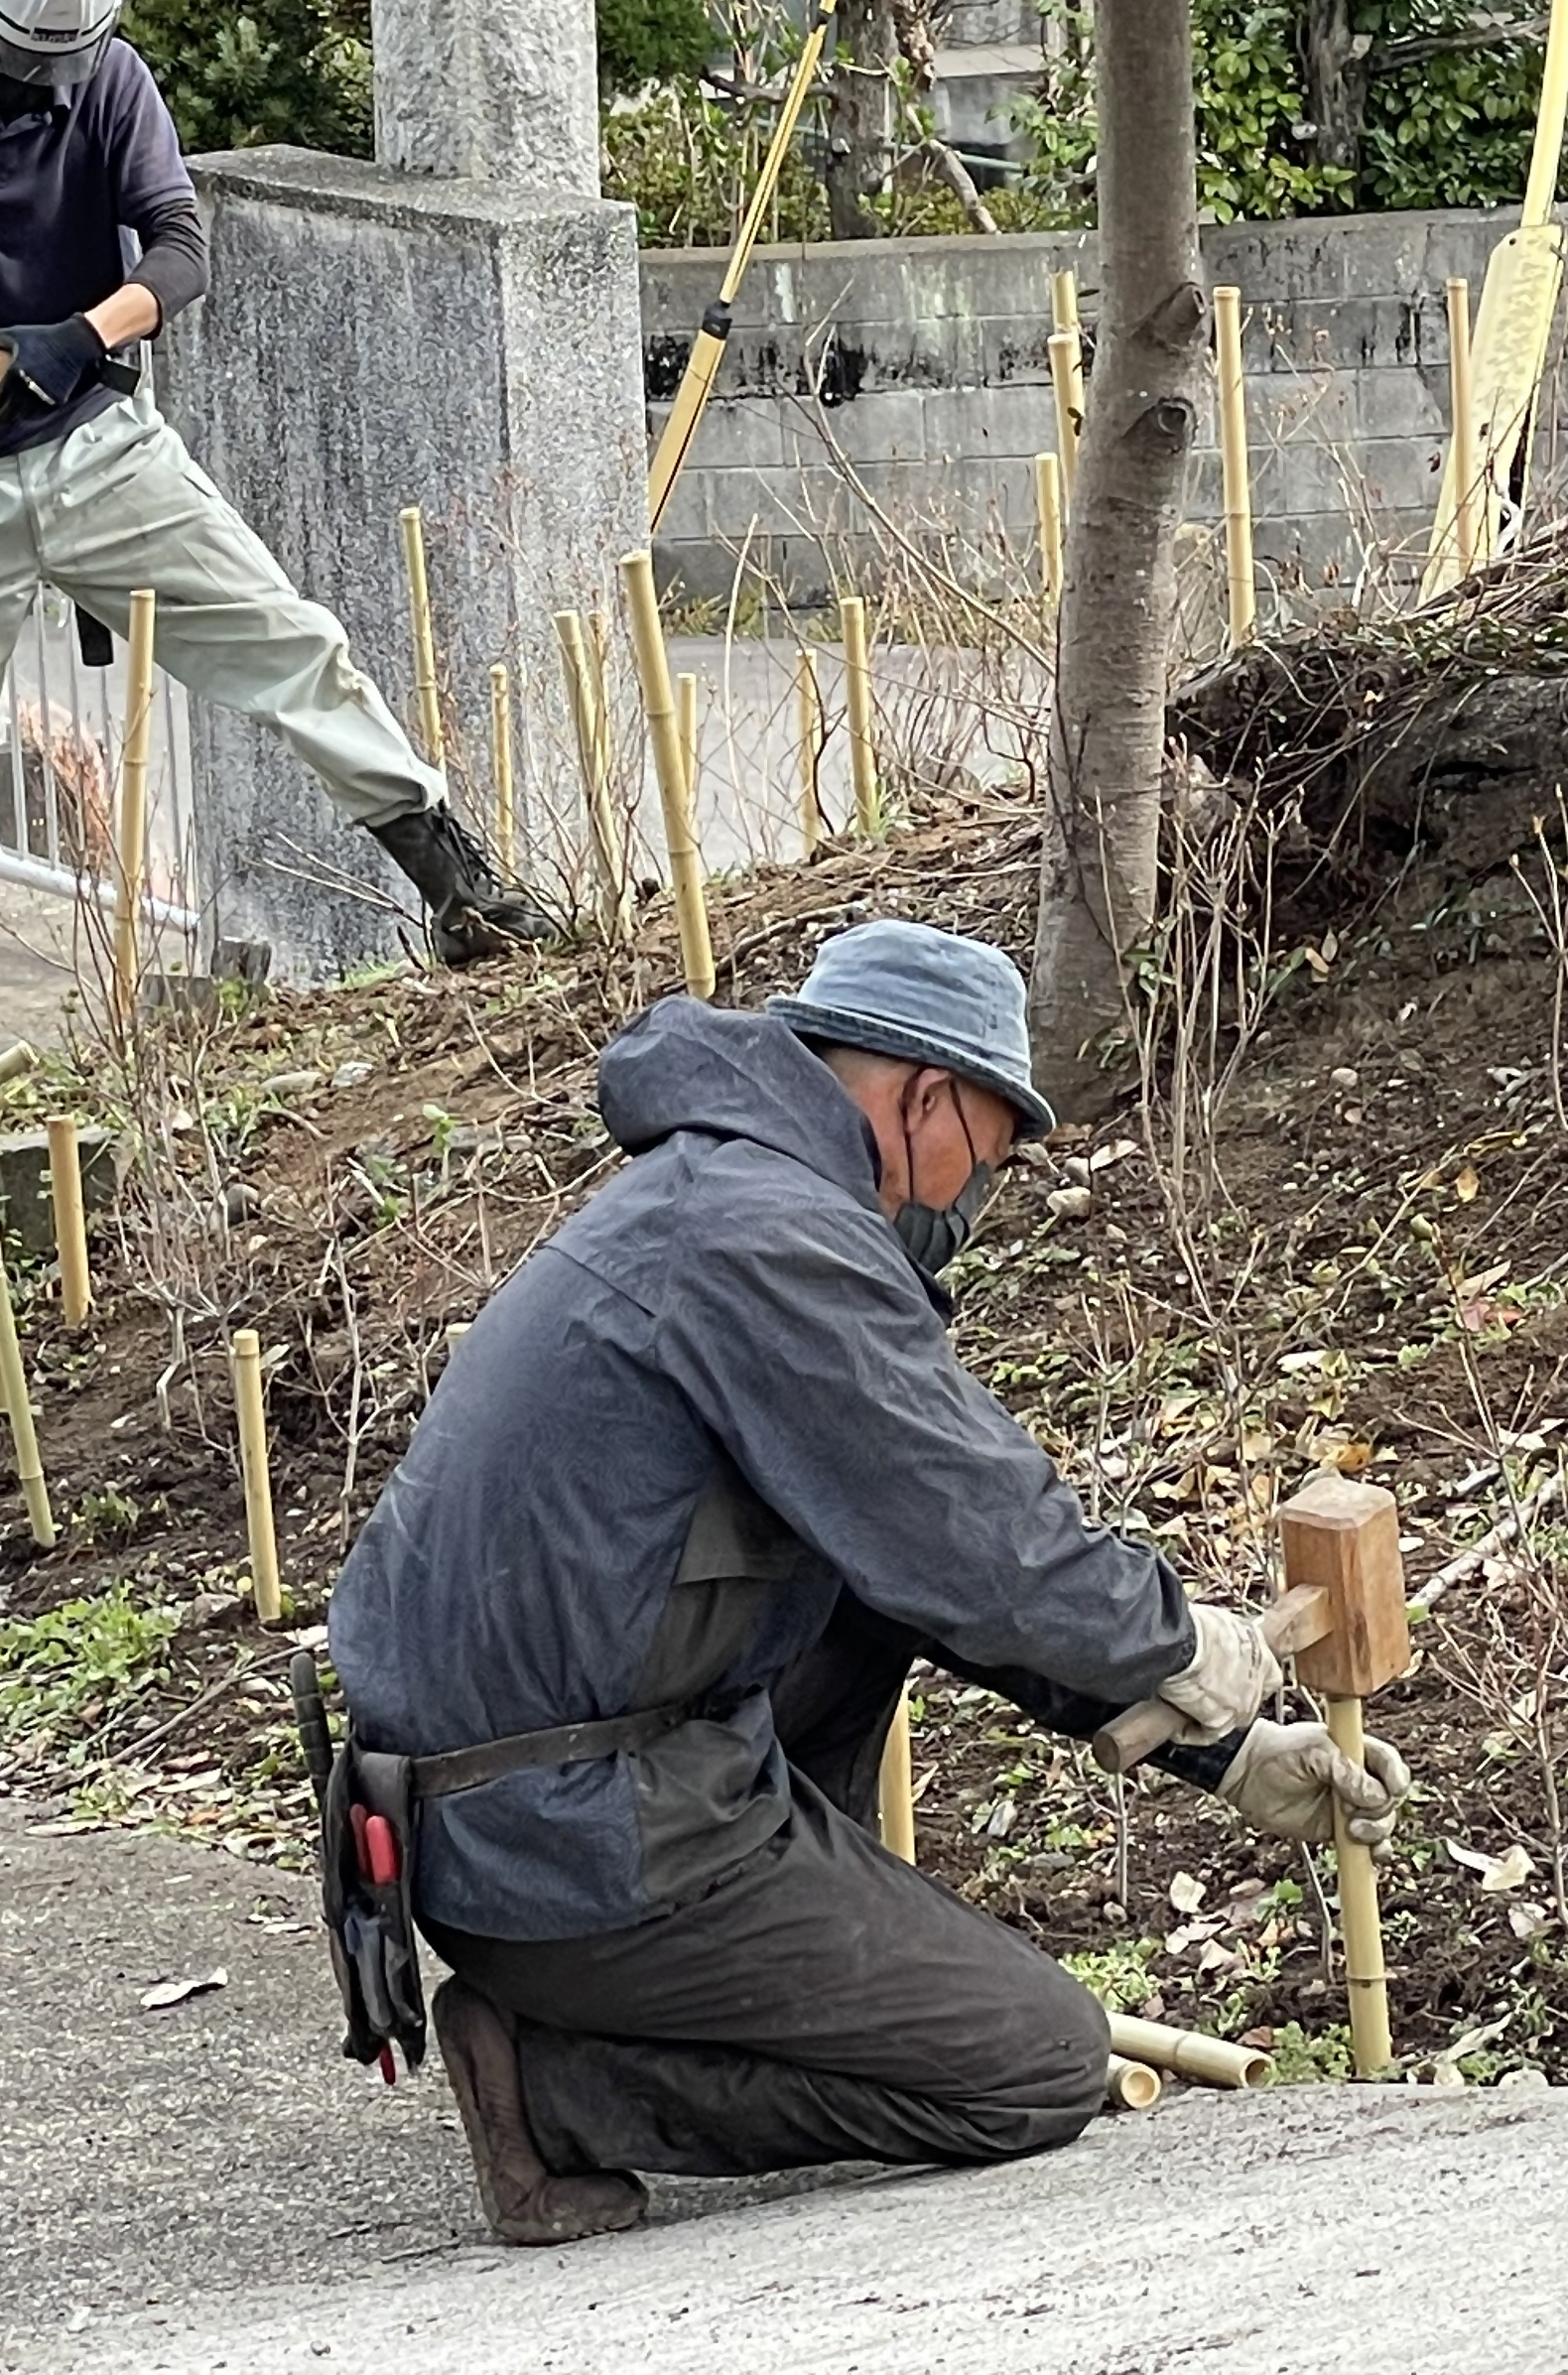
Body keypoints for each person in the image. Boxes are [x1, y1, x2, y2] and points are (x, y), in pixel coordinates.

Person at [327, 919, 1412, 2245]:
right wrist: (1184, 1641)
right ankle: (557, 2088)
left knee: (860, 1579)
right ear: (926, 1098)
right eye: (990, 1159)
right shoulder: (766, 1234)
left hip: (519, 1803)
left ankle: (673, 1979)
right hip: (564, 1838)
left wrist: (1223, 1748)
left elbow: (914, 1562)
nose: (977, 1201)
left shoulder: (717, 1193)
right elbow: (978, 1531)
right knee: (1036, 2065)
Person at [0, 0, 543, 1038]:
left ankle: (458, 887)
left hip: (98, 452)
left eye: (60, 66)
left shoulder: (109, 79)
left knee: (290, 644)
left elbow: (179, 245)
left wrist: (83, 336)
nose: (43, 88)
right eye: (23, 64)